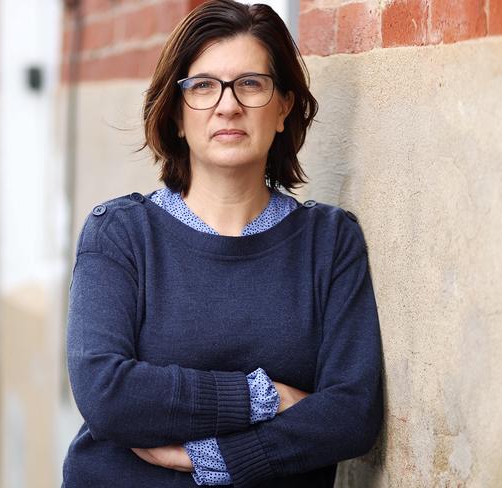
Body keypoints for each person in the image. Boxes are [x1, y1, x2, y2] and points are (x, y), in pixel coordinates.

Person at [62, 1, 383, 487]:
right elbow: (106, 391)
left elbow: (351, 413)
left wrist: (217, 457)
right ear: (175, 113)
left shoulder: (330, 243)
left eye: (251, 84)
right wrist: (264, 397)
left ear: (283, 108)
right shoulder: (122, 234)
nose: (227, 105)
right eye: (203, 86)